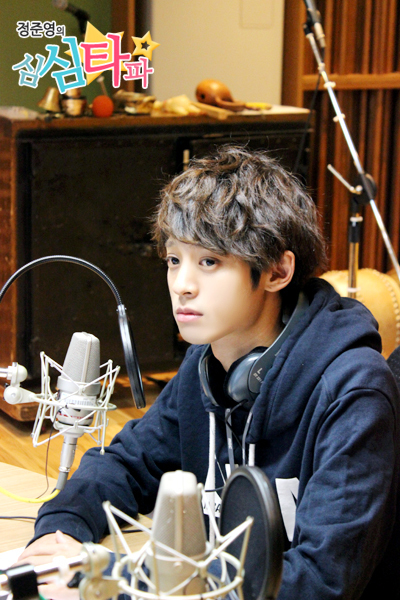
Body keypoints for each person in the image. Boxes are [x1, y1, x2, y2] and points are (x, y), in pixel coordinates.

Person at [20, 146, 400, 599]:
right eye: (174, 260)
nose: (182, 285)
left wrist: (119, 582)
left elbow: (320, 581)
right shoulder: (207, 365)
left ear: (277, 271)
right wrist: (60, 532)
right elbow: (126, 464)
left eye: (209, 262)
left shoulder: (353, 392)